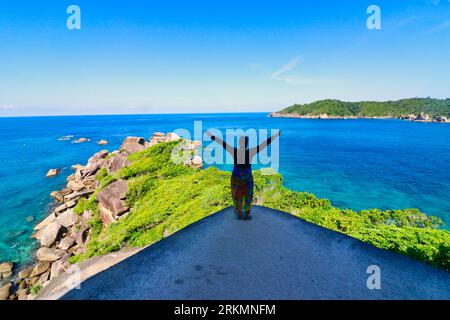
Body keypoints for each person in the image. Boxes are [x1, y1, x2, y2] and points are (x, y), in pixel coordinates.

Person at [206, 130, 281, 219]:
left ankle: (239, 213)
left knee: (237, 194)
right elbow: (264, 144)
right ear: (247, 143)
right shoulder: (251, 152)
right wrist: (275, 136)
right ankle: (246, 213)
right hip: (247, 176)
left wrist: (212, 136)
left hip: (236, 175)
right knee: (248, 194)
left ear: (239, 143)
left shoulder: (234, 151)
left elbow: (222, 143)